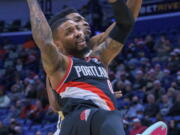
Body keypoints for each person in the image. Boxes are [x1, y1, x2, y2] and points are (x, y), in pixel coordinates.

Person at [26, 0, 134, 135]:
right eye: (69, 32)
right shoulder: (61, 65)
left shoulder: (99, 57)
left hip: (99, 125)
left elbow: (125, 25)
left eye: (78, 28)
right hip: (77, 122)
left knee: (112, 116)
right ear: (57, 45)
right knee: (110, 117)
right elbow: (45, 42)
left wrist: (116, 3)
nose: (78, 33)